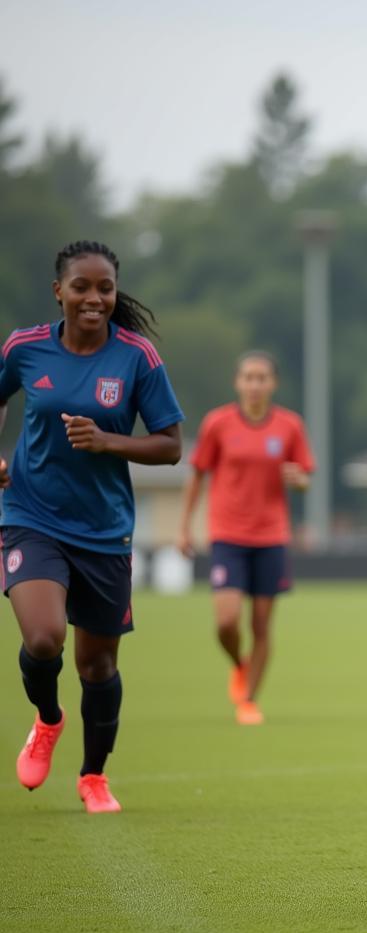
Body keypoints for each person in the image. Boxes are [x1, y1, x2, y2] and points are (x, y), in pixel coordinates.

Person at [0, 240, 184, 813]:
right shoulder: (25, 348)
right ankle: (49, 719)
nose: (93, 298)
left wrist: (109, 441)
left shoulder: (137, 358)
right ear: (59, 291)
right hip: (30, 517)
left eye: (104, 288)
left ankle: (93, 777)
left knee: (98, 665)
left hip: (105, 532)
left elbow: (171, 445)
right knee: (44, 638)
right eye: (81, 286)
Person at [177, 351, 315, 726]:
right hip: (227, 535)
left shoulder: (289, 426)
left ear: (273, 384)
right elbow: (198, 475)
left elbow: (305, 476)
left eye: (262, 378)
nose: (255, 385)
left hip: (271, 536)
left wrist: (298, 480)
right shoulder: (217, 424)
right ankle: (239, 664)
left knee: (261, 626)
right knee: (226, 621)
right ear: (238, 383)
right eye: (248, 378)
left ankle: (249, 700)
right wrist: (185, 525)